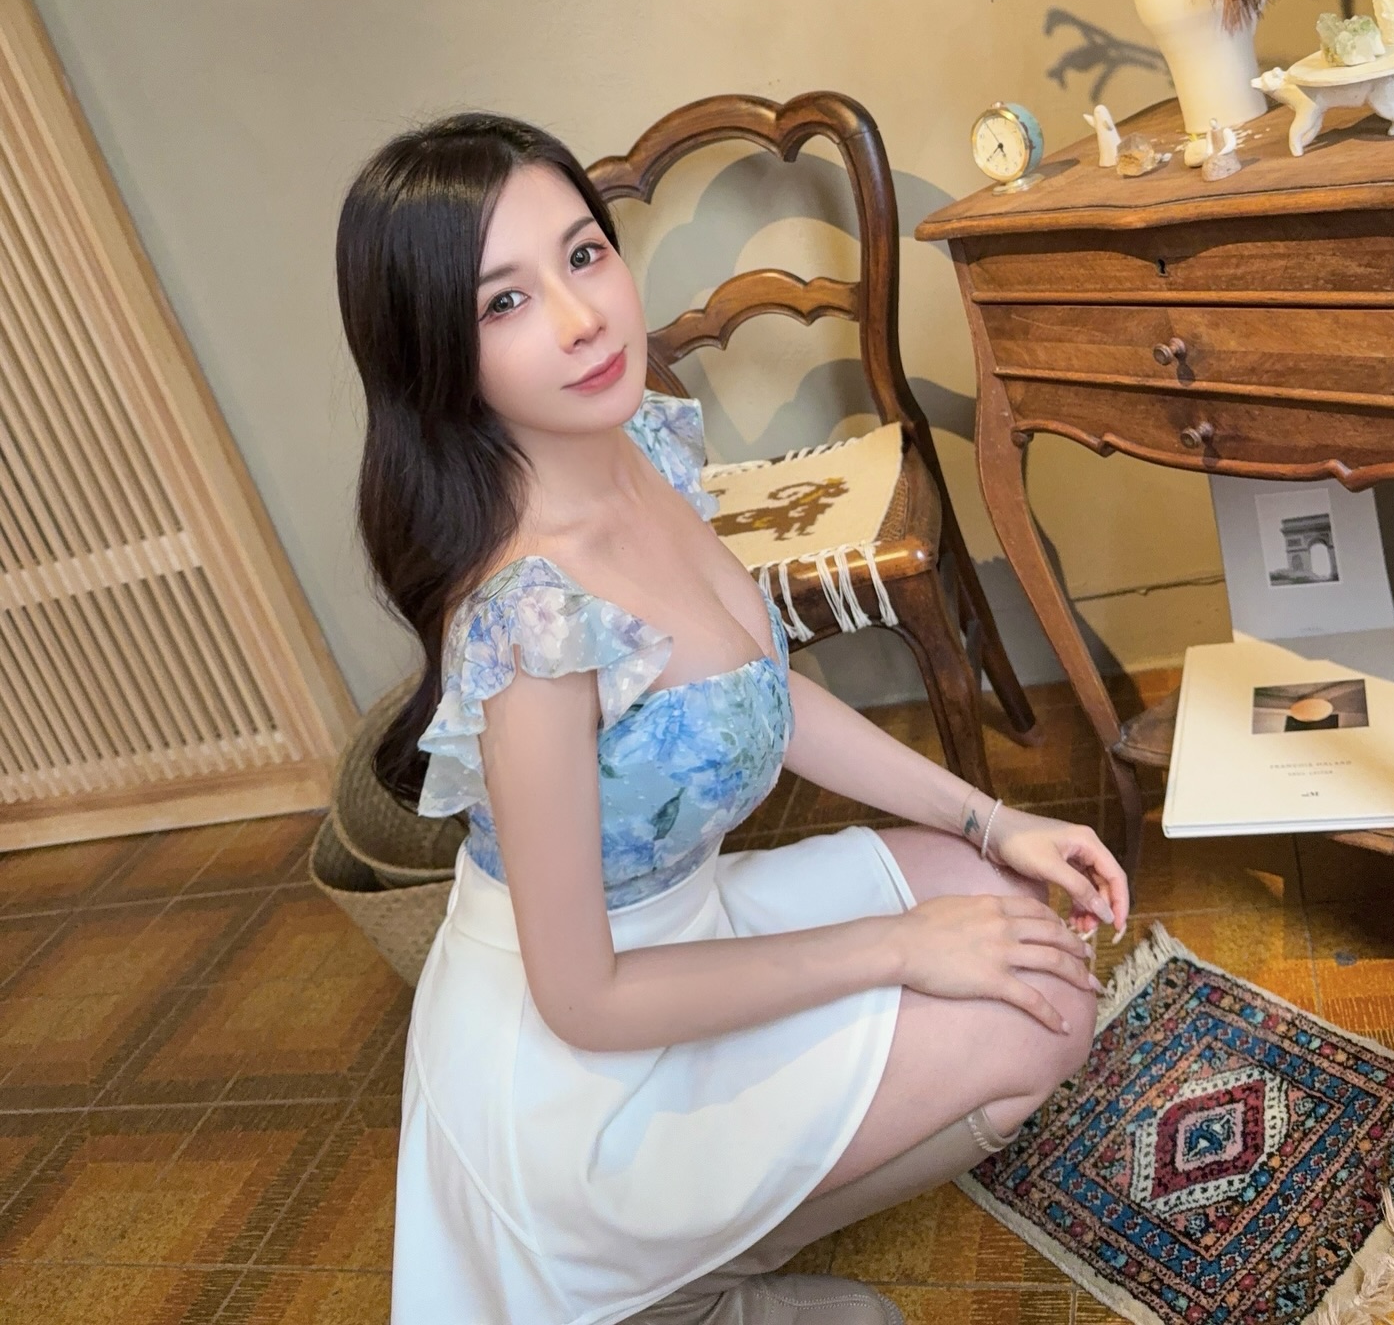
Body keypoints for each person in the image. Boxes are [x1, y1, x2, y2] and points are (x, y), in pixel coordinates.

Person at [334, 113, 1131, 1325]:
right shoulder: (527, 623)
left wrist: (992, 818)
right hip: (588, 1075)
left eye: (584, 255)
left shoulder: (637, 447)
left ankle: (711, 1260)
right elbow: (584, 996)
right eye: (504, 302)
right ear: (436, 355)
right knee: (1038, 1016)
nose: (582, 316)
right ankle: (675, 1285)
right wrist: (898, 950)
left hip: (687, 922)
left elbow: (759, 692)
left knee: (1020, 918)